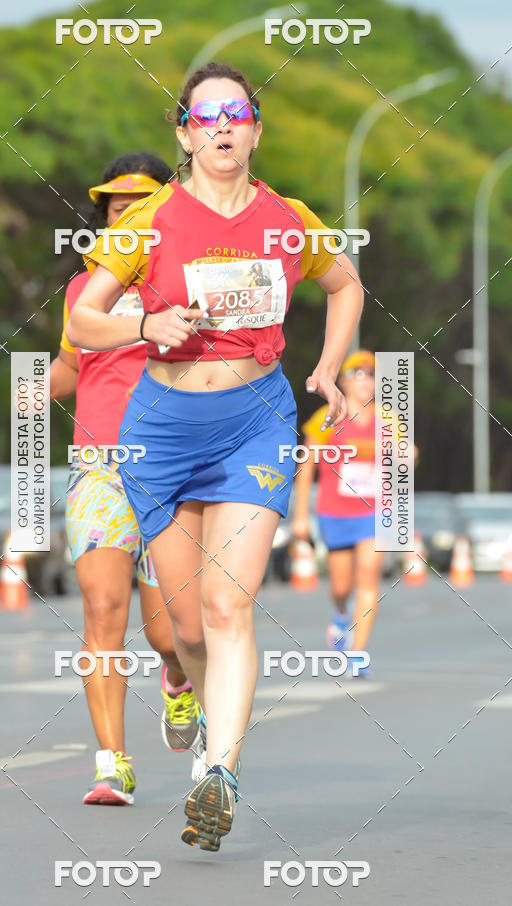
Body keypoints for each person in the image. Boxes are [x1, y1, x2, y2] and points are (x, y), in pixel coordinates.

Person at [67, 62, 363, 849]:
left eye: (237, 113)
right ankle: (191, 696)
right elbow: (84, 326)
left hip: (255, 420)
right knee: (186, 625)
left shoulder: (287, 218)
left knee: (232, 606)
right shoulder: (148, 222)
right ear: (185, 134)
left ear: (255, 130)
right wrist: (142, 328)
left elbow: (345, 284)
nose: (223, 127)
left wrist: (328, 368)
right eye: (207, 117)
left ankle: (220, 772)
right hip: (161, 426)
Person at [50, 152, 201, 807]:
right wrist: (29, 387)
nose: (124, 216)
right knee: (102, 610)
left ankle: (176, 677)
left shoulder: (189, 277)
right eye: (115, 208)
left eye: (137, 207)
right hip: (100, 467)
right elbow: (68, 370)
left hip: (173, 465)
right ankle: (112, 764)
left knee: (171, 633)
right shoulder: (84, 289)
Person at [292, 350, 379, 675]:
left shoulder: (387, 421)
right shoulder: (328, 418)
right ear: (343, 381)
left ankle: (358, 654)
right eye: (357, 375)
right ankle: (341, 615)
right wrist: (301, 515)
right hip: (334, 512)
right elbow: (306, 465)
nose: (365, 382)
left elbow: (405, 459)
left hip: (373, 513)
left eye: (370, 375)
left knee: (368, 576)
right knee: (341, 586)